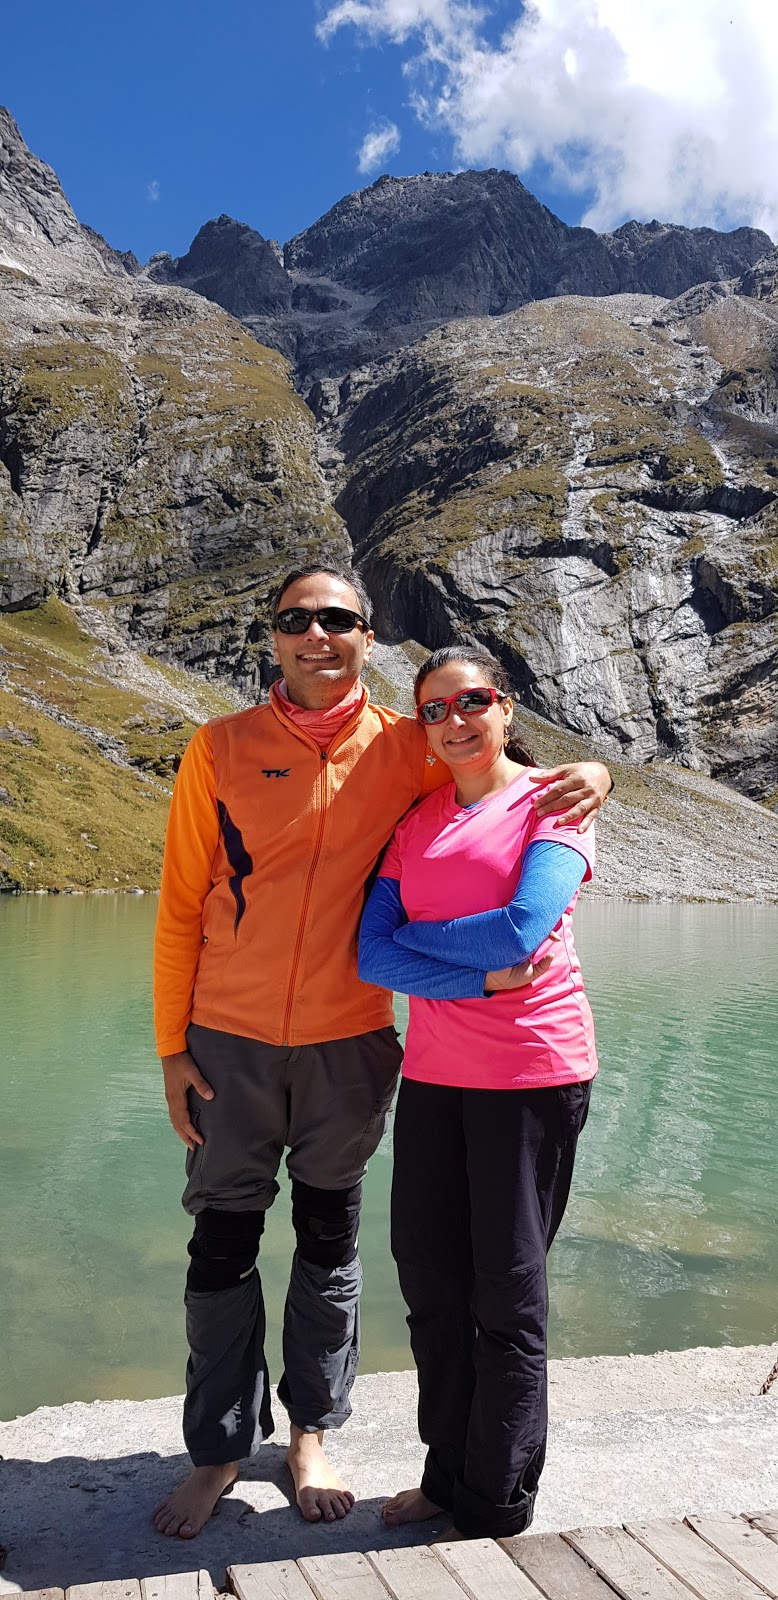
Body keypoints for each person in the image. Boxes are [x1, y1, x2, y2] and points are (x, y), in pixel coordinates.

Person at [151, 565, 611, 1540]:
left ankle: (310, 1435)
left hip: (352, 1044)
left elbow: (505, 778)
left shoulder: (410, 745)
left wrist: (602, 774)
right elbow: (181, 903)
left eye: (336, 618)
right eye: (295, 618)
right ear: (274, 636)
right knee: (222, 1244)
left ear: (369, 635)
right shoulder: (218, 746)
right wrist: (169, 1046)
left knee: (330, 1243)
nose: (314, 633)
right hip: (227, 1039)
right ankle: (218, 1450)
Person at [358, 644, 598, 1540]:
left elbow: (524, 930)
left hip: (531, 1076)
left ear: (506, 707)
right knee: (430, 1281)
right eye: (434, 709)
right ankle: (445, 1473)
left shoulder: (553, 801)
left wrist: (426, 940)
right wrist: (476, 978)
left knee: (506, 1291)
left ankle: (496, 1497)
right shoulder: (417, 821)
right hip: (434, 1078)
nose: (454, 721)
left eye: (472, 702)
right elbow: (370, 955)